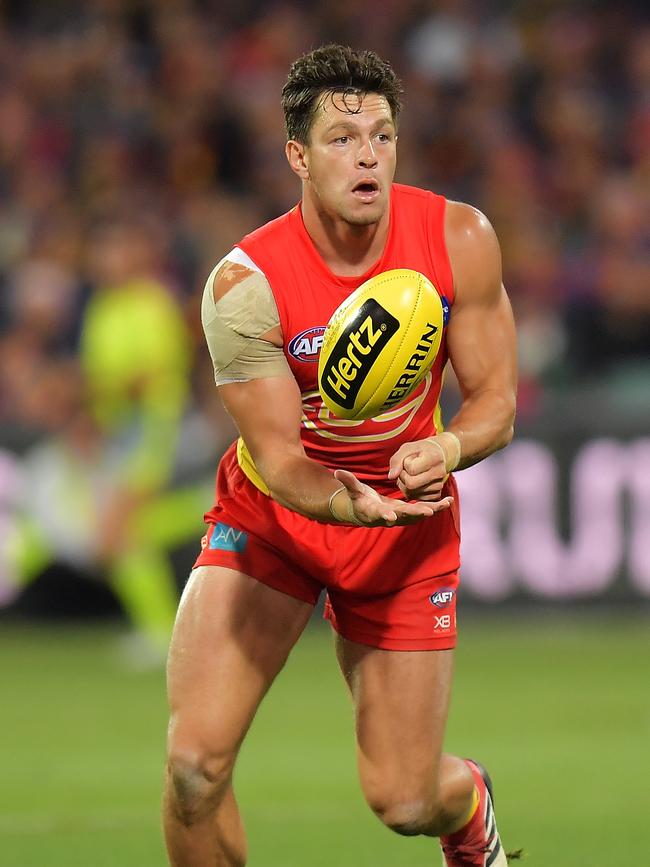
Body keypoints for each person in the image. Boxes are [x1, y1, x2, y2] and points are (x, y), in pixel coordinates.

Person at [163, 44, 518, 867]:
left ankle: (466, 803)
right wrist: (341, 498)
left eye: (383, 136)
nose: (368, 156)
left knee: (403, 800)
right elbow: (281, 458)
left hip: (407, 528)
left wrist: (451, 443)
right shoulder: (243, 286)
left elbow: (497, 401)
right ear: (297, 154)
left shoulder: (459, 238)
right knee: (192, 768)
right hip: (277, 517)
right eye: (341, 138)